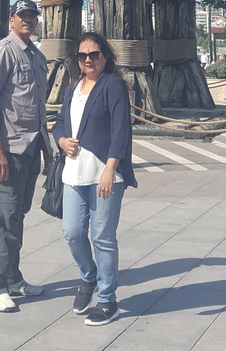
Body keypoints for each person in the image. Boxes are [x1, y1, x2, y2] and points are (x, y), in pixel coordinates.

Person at [53, 32, 137, 327]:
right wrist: (61, 140)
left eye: (94, 55)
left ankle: (107, 300)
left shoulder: (112, 86)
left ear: (105, 57)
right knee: (72, 232)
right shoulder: (72, 88)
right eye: (82, 56)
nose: (88, 60)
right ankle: (88, 277)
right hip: (73, 174)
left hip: (103, 173)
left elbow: (120, 130)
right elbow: (60, 122)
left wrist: (111, 169)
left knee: (102, 237)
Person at [0, 0, 51, 313]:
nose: (28, 21)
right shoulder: (3, 50)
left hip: (31, 147)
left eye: (32, 16)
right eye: (22, 16)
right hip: (9, 149)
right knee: (4, 218)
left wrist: (47, 151)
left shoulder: (37, 56)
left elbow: (38, 109)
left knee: (18, 216)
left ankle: (13, 278)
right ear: (11, 20)